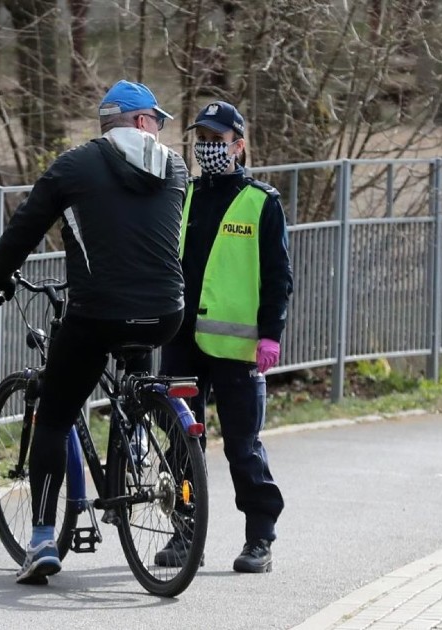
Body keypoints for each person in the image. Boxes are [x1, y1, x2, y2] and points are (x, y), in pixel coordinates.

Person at [0, 80, 188, 584]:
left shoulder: (73, 167)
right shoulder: (177, 167)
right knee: (135, 368)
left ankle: (44, 539)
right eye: (155, 119)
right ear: (140, 122)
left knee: (54, 415)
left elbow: (26, 228)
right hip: (166, 312)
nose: (160, 127)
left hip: (98, 315)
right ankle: (136, 446)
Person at [155, 101, 293, 573]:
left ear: (239, 145)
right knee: (177, 441)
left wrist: (270, 335)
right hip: (182, 341)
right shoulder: (184, 195)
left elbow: (278, 277)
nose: (208, 147)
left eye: (217, 139)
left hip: (237, 347)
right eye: (203, 138)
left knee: (242, 444)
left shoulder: (261, 201)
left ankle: (260, 538)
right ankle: (184, 530)